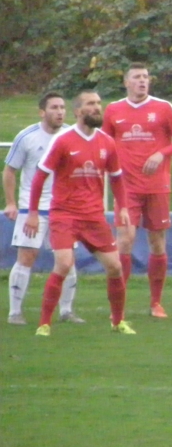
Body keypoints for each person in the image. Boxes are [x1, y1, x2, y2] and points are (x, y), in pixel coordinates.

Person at [24, 91, 135, 336]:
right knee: (64, 263)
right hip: (64, 214)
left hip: (93, 216)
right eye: (91, 104)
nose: (97, 107)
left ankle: (118, 322)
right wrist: (32, 212)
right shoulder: (63, 140)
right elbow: (40, 176)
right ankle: (44, 323)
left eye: (98, 103)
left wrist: (124, 207)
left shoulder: (107, 142)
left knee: (115, 267)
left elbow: (117, 178)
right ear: (77, 111)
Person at [101, 62, 172, 318]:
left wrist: (162, 153)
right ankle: (119, 304)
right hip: (126, 187)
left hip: (157, 186)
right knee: (125, 239)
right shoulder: (113, 110)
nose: (142, 81)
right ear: (126, 82)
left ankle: (155, 303)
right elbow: (103, 143)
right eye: (137, 77)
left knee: (157, 242)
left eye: (145, 77)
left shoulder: (163, 108)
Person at [4, 93, 84, 325]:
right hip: (33, 209)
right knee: (27, 256)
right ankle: (15, 312)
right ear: (42, 112)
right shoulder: (27, 137)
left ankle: (66, 311)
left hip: (64, 209)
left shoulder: (72, 135)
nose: (60, 112)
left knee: (67, 260)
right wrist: (11, 203)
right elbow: (9, 171)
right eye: (54, 107)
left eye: (62, 107)